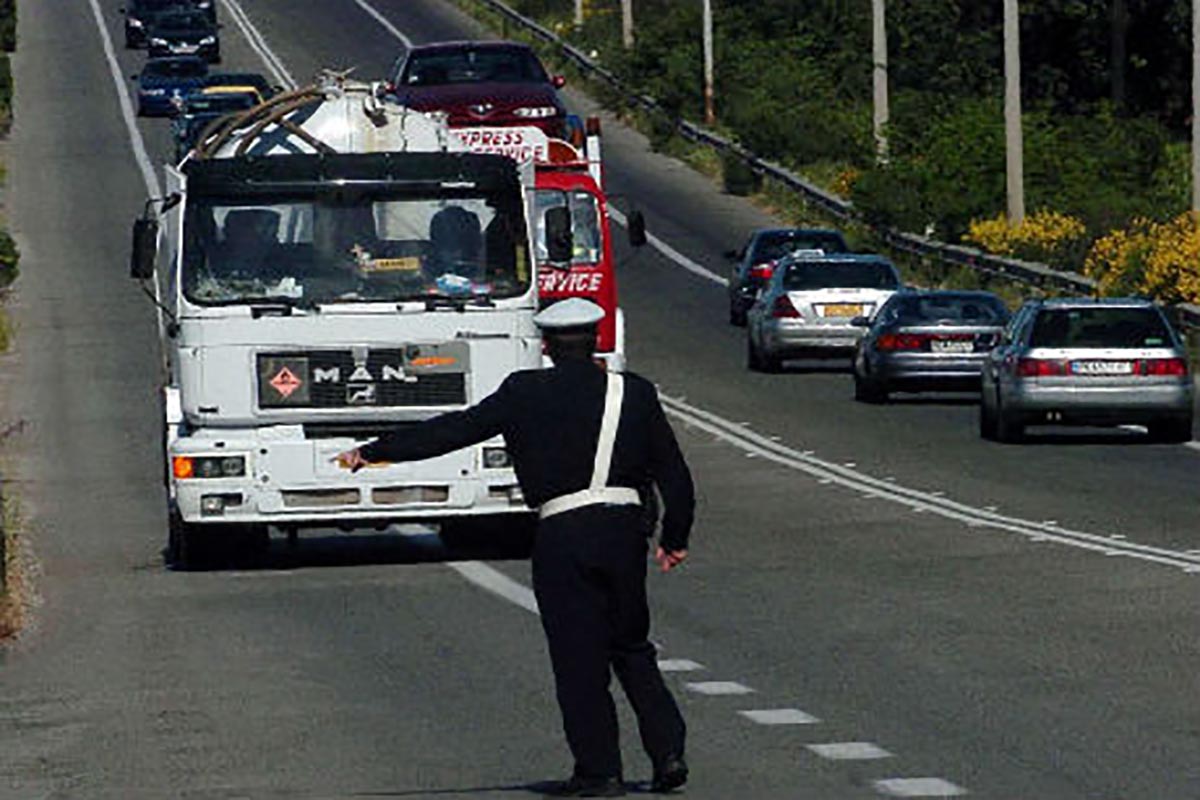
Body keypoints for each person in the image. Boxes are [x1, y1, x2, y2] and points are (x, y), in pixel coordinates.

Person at [335, 298, 693, 797]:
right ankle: (668, 752)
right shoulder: (634, 393)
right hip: (623, 532)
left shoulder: (524, 392)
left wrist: (374, 451)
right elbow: (675, 474)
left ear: (546, 345)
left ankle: (600, 770)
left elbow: (455, 430)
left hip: (563, 531)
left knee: (578, 657)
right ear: (595, 340)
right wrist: (674, 538)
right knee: (631, 645)